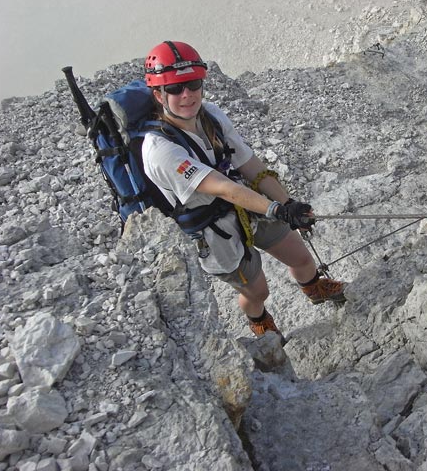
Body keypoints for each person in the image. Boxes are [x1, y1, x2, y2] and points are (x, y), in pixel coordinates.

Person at [141, 41, 346, 340]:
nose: (186, 94)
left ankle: (315, 289)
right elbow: (221, 187)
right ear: (158, 95)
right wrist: (276, 209)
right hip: (214, 230)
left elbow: (249, 164)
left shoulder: (210, 116)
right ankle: (259, 321)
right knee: (258, 290)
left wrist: (289, 203)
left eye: (192, 84)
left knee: (301, 258)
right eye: (174, 89)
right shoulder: (159, 150)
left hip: (247, 207)